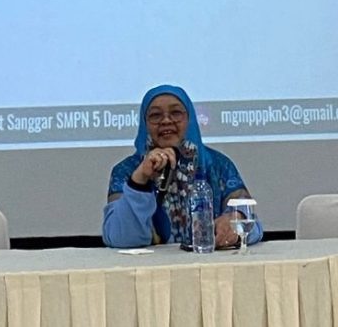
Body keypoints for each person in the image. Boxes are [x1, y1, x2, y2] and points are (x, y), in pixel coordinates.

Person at [103, 85, 263, 248]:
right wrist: (139, 180)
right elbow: (118, 238)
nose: (166, 121)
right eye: (155, 115)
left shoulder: (217, 165)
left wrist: (235, 221)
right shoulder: (126, 171)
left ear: (189, 119)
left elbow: (252, 225)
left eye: (176, 113)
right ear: (145, 124)